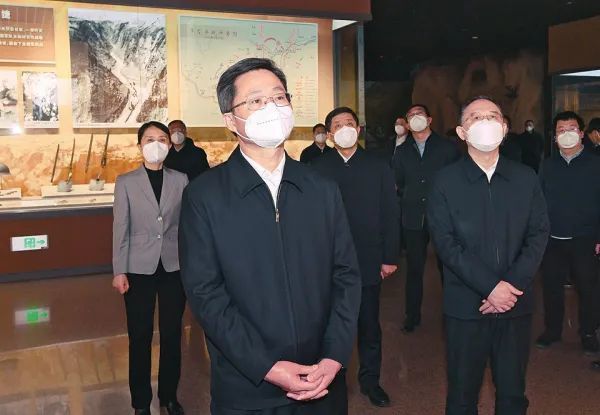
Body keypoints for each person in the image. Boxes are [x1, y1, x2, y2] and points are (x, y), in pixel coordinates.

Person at [178, 58, 362, 415]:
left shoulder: (321, 188)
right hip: (248, 388)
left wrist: (334, 356)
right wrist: (267, 366)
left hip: (322, 380)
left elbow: (346, 276)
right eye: (256, 101)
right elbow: (205, 293)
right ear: (230, 120)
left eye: (279, 97)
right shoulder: (205, 196)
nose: (272, 109)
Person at [427, 96, 549, 415]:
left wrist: (510, 285)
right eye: (475, 117)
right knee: (462, 394)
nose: (485, 122)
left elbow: (538, 234)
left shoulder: (525, 177)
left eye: (493, 116)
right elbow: (446, 243)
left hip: (515, 304)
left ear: (505, 128)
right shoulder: (445, 181)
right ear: (461, 131)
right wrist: (490, 287)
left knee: (512, 394)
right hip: (466, 306)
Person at [312, 107, 399, 407]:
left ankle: (370, 381)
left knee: (369, 326)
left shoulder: (378, 165)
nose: (345, 128)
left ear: (359, 129)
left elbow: (390, 212)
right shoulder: (317, 168)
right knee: (330, 325)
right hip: (328, 263)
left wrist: (389, 256)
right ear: (329, 133)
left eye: (349, 123)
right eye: (338, 125)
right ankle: (331, 380)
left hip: (368, 258)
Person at [112, 121, 189, 415]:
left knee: (172, 335)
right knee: (140, 336)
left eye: (162, 139)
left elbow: (186, 225)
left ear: (169, 144)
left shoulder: (180, 180)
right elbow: (120, 228)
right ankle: (141, 402)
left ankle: (169, 396)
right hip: (138, 268)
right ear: (140, 145)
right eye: (149, 139)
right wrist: (119, 270)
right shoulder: (126, 182)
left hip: (173, 266)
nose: (156, 144)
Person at [392, 104, 461, 333]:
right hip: (413, 217)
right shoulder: (402, 151)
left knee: (448, 268)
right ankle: (412, 316)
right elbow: (398, 182)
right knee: (414, 269)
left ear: (429, 120)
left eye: (419, 114)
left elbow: (457, 178)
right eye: (411, 115)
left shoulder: (447, 148)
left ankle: (453, 314)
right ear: (407, 123)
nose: (415, 118)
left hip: (443, 217)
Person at [535, 111, 600, 355]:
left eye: (571, 129)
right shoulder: (548, 165)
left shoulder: (595, 164)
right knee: (551, 287)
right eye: (561, 130)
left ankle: (588, 332)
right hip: (553, 239)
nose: (566, 134)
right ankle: (552, 330)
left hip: (586, 238)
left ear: (581, 133)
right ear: (555, 137)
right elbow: (538, 201)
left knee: (588, 288)